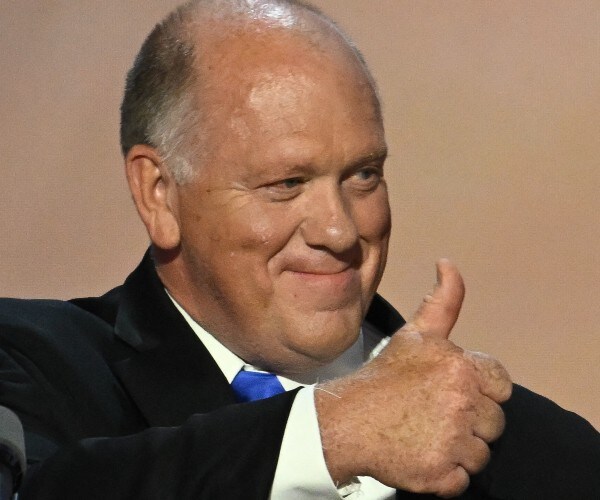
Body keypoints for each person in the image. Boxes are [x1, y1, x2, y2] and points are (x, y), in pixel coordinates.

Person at [0, 0, 598, 498]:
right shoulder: (32, 368)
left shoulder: (537, 455)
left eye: (363, 175)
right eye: (286, 183)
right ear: (159, 194)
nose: (339, 232)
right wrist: (332, 434)